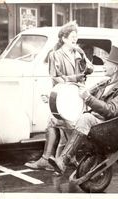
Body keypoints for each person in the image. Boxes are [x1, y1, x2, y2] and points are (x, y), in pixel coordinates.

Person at [48, 45, 118, 175]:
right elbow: (82, 93)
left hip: (108, 127)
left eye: (107, 63)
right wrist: (58, 96)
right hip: (96, 123)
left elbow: (111, 111)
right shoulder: (105, 82)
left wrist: (88, 98)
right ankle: (72, 157)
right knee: (58, 119)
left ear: (115, 68)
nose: (104, 65)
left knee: (85, 118)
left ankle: (64, 160)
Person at [25, 21, 93, 171]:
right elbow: (55, 77)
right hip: (63, 94)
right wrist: (73, 80)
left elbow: (90, 69)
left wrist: (84, 61)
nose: (75, 39)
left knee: (66, 125)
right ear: (63, 38)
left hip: (77, 95)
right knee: (57, 123)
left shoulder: (78, 53)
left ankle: (63, 159)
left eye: (76, 36)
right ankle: (57, 159)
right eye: (72, 37)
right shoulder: (55, 55)